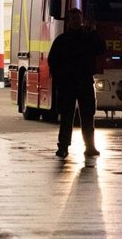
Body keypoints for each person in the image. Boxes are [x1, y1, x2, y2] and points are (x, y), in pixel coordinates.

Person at [48, 8, 106, 158]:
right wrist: (59, 80)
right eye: (73, 18)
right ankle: (63, 146)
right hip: (68, 84)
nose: (76, 21)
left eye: (78, 18)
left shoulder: (87, 38)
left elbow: (101, 48)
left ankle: (90, 147)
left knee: (87, 116)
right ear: (69, 21)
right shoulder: (62, 41)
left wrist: (93, 32)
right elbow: (53, 62)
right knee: (67, 117)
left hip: (84, 81)